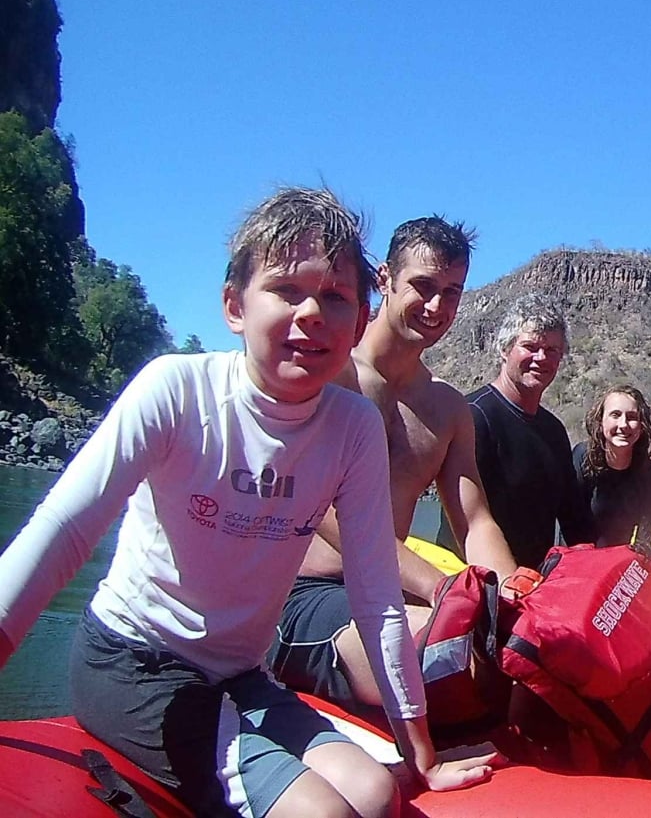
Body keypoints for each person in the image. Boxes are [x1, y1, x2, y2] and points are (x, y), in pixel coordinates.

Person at [0, 188, 494, 818]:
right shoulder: (177, 391)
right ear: (234, 305)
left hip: (240, 675)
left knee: (376, 794)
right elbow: (64, 532)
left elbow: (376, 595)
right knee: (325, 814)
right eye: (286, 290)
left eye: (335, 297)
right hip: (134, 664)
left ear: (359, 317)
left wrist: (419, 750)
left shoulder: (352, 427)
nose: (311, 313)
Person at [267, 216, 517, 711]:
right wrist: (438, 587)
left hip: (391, 593)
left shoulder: (447, 408)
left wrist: (514, 598)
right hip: (301, 593)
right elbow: (321, 507)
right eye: (423, 286)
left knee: (524, 654)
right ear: (384, 279)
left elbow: (474, 522)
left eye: (451, 292)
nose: (437, 306)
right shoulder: (330, 375)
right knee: (455, 659)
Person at [446, 292, 596, 570]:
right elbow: (465, 525)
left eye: (552, 350)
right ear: (505, 350)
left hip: (534, 584)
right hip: (471, 577)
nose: (541, 358)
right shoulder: (471, 417)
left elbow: (575, 522)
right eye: (530, 346)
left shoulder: (554, 431)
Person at [573, 384, 651, 547]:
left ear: (642, 425)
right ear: (600, 421)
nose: (623, 424)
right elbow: (568, 522)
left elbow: (644, 539)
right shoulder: (582, 457)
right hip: (579, 555)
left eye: (632, 417)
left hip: (620, 559)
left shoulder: (650, 473)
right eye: (615, 415)